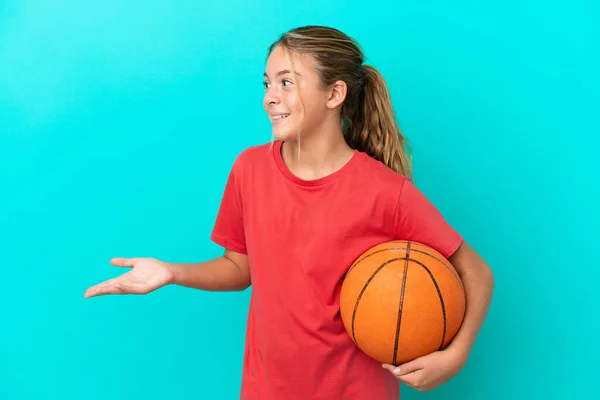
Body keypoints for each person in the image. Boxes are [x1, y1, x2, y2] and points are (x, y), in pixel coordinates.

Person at [84, 25, 495, 400]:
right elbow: (239, 268)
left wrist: (454, 357)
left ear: (334, 94)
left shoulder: (386, 192)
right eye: (267, 83)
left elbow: (476, 271)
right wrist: (172, 272)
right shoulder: (249, 170)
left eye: (287, 83)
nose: (270, 97)